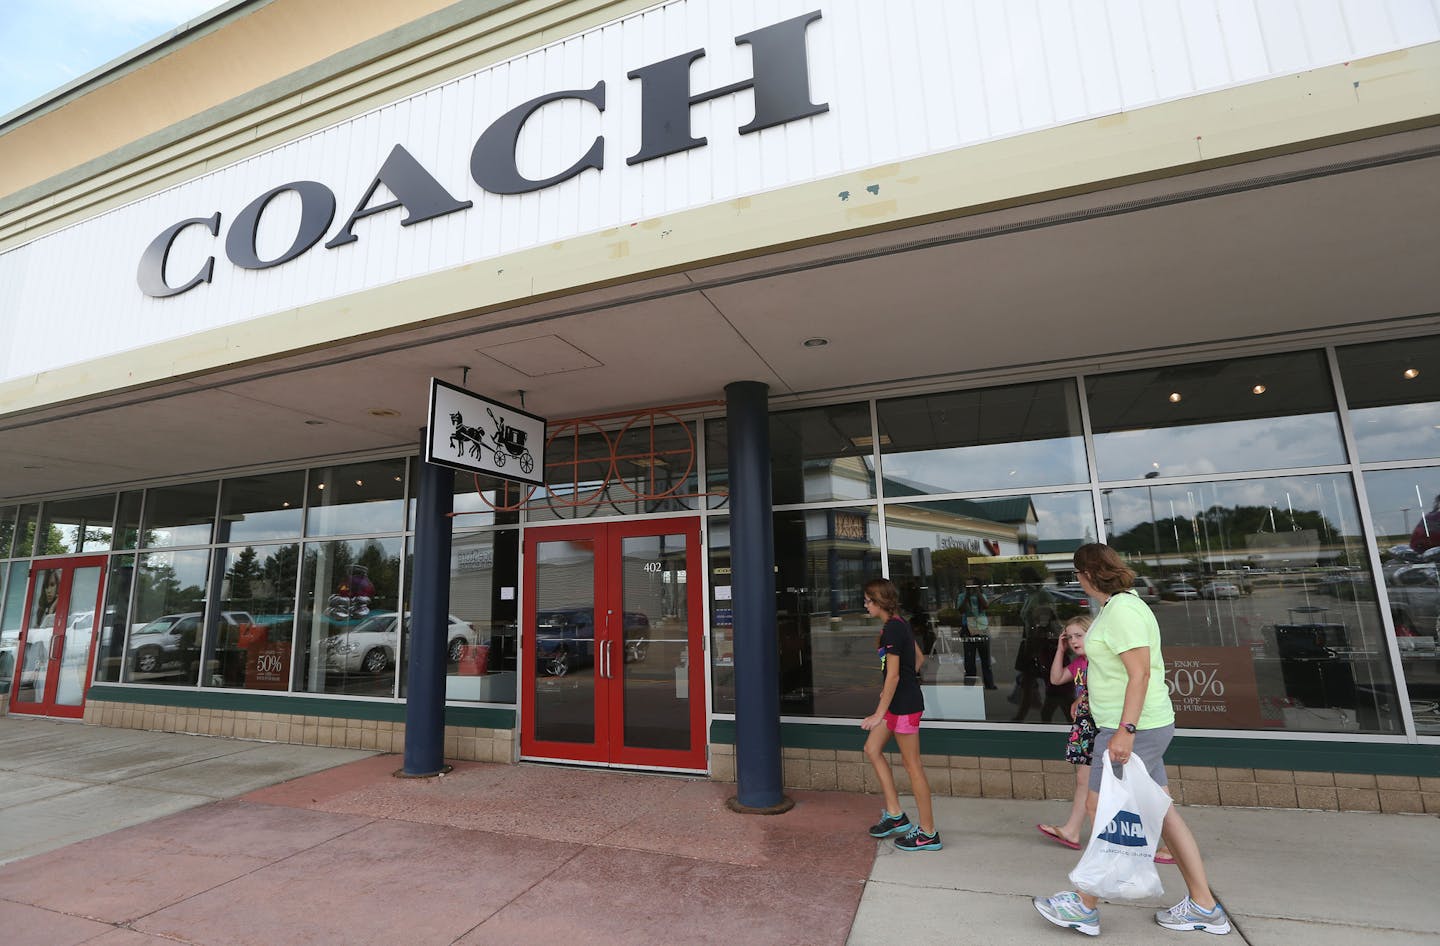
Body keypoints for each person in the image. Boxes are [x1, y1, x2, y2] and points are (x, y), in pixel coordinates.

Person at [1034, 543, 1230, 937]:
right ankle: (1204, 906)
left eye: (1077, 572)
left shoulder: (1123, 610)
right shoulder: (1119, 607)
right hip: (1135, 726)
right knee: (1162, 814)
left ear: (1090, 573)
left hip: (1131, 729)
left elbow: (1138, 674)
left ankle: (1084, 904)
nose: (1076, 579)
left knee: (1100, 808)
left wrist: (1125, 730)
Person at [860, 578, 942, 852]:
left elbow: (893, 675)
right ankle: (896, 816)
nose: (865, 605)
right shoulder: (896, 624)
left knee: (912, 766)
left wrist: (878, 712)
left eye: (867, 600)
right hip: (897, 703)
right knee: (872, 748)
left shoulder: (894, 629)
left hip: (903, 705)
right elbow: (918, 660)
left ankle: (929, 832)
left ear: (878, 601)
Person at [1035, 615, 1094, 851]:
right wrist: (1060, 650)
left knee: (1091, 780)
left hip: (1102, 724)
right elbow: (1056, 678)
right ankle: (1072, 830)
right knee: (1084, 778)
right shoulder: (1079, 663)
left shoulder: (1100, 660)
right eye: (1069, 638)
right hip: (1087, 724)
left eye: (1079, 635)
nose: (1074, 641)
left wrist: (1082, 697)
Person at [958, 578, 996, 688]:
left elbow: (985, 606)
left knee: (985, 657)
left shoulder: (981, 595)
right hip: (968, 627)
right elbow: (961, 610)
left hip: (981, 626)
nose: (969, 589)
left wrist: (977, 592)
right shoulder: (962, 596)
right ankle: (971, 683)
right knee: (969, 658)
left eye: (972, 586)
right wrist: (967, 595)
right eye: (967, 586)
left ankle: (989, 683)